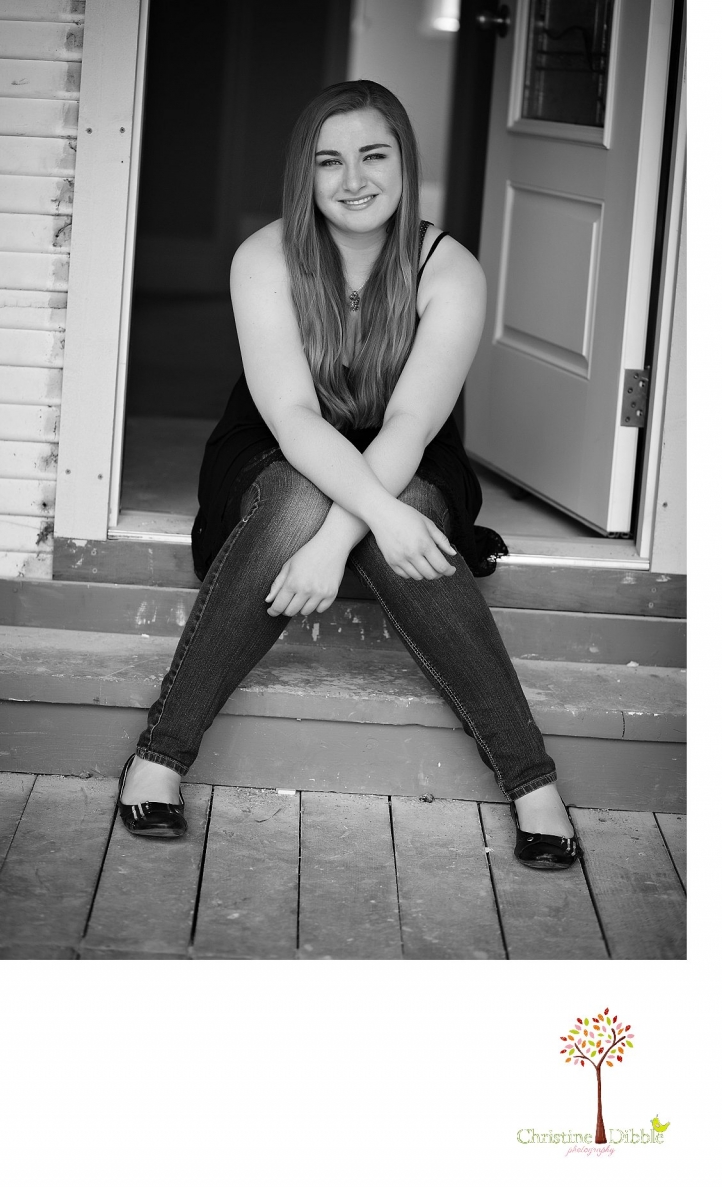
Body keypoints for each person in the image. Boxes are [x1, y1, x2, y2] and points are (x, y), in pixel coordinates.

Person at [117, 79, 581, 871]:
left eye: (374, 155)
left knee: (401, 505)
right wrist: (365, 521)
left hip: (408, 449)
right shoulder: (264, 258)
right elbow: (294, 415)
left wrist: (345, 535)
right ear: (305, 174)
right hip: (273, 444)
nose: (354, 179)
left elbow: (407, 425)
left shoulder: (450, 270)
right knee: (300, 503)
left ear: (405, 163)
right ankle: (161, 753)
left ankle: (531, 779)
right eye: (329, 161)